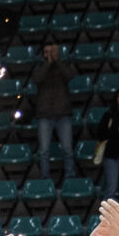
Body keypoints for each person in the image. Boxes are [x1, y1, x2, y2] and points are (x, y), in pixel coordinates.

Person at [29, 42, 78, 180]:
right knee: (44, 150)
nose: (49, 54)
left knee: (68, 149)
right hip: (45, 114)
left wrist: (58, 61)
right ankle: (45, 177)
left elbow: (70, 75)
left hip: (63, 113)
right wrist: (49, 63)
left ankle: (70, 176)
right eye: (46, 52)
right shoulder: (40, 68)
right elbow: (37, 79)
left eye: (52, 51)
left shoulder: (63, 66)